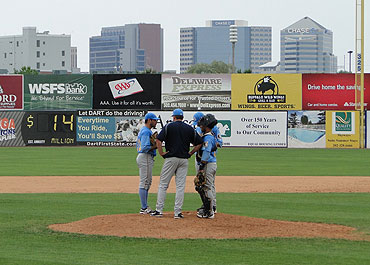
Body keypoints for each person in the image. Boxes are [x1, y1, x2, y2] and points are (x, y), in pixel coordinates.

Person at [151, 109, 203, 219]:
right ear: (182, 117)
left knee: (163, 185)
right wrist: (190, 153)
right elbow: (199, 143)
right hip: (184, 159)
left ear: (174, 117)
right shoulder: (189, 128)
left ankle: (159, 210)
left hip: (171, 158)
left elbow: (159, 140)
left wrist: (161, 153)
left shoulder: (169, 126)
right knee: (180, 186)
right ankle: (177, 212)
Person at [192, 112, 223, 214]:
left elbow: (208, 149)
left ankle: (210, 209)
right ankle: (208, 206)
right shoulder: (207, 135)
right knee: (205, 186)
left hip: (208, 162)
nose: (199, 126)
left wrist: (201, 166)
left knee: (208, 186)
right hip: (206, 161)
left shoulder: (209, 136)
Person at [136, 112, 160, 214]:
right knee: (145, 182)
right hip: (145, 157)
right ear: (149, 120)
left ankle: (145, 207)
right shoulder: (146, 131)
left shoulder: (146, 130)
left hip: (145, 157)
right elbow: (145, 148)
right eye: (155, 120)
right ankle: (144, 208)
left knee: (147, 182)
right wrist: (157, 145)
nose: (156, 122)